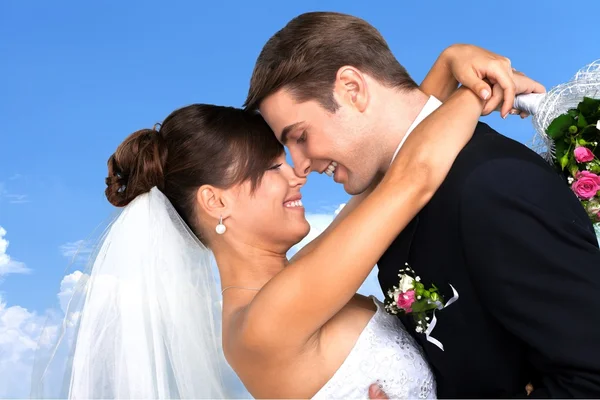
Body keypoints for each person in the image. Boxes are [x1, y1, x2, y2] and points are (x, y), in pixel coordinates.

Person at [34, 44, 520, 399]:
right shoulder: (263, 324)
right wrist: (480, 91)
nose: (298, 173)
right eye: (272, 167)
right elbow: (410, 180)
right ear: (215, 201)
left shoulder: (285, 289)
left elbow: (386, 172)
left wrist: (445, 65)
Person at [244, 11, 600, 398]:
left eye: (300, 136)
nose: (301, 166)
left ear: (352, 88)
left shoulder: (492, 185)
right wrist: (449, 61)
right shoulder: (391, 203)